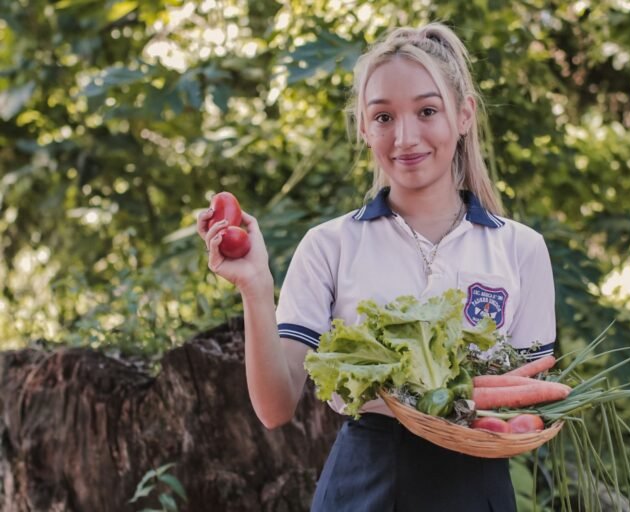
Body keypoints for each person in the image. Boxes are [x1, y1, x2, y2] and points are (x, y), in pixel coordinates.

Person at [198, 22, 556, 512]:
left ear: (465, 114)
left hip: (477, 485)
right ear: (364, 127)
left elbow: (534, 403)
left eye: (427, 111)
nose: (405, 136)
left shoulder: (521, 249)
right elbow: (275, 409)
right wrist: (256, 285)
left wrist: (462, 400)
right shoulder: (330, 245)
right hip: (364, 483)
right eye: (383, 116)